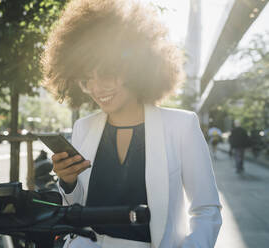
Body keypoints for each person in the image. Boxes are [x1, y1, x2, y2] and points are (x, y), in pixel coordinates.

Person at [41, 0, 222, 247]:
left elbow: (206, 209)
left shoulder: (181, 126)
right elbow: (76, 208)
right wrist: (68, 182)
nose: (95, 88)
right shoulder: (84, 127)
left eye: (105, 74)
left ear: (135, 68)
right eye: (86, 79)